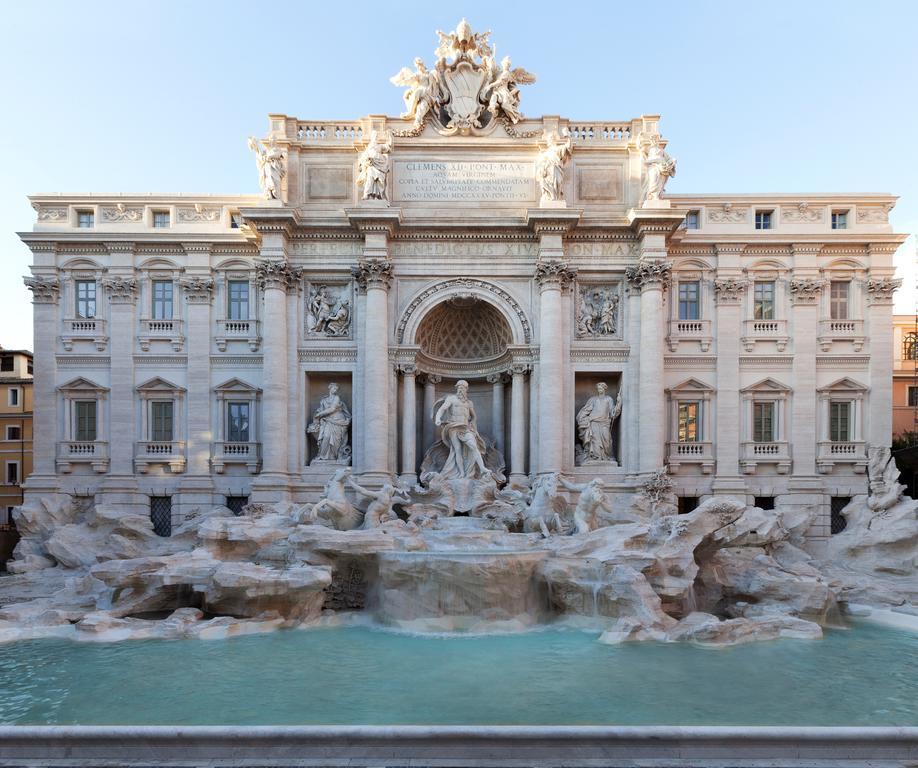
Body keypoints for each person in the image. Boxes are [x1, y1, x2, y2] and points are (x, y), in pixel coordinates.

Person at [433, 380, 488, 479]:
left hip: (465, 428)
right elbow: (442, 409)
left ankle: (482, 468)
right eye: (458, 388)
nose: (460, 390)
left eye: (462, 388)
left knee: (473, 446)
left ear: (466, 390)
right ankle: (461, 473)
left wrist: (474, 428)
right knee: (457, 450)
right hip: (453, 427)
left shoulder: (469, 403)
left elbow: (474, 417)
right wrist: (438, 418)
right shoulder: (451, 399)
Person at [576, 383, 622, 463]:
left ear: (604, 389)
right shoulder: (593, 399)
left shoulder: (609, 399)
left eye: (601, 388)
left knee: (606, 440)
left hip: (605, 423)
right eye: (598, 389)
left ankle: (607, 457)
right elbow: (586, 410)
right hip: (594, 422)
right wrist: (582, 418)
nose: (599, 390)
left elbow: (612, 413)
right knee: (595, 440)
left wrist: (618, 404)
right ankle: (595, 458)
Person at [307, 383, 351, 463]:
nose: (335, 390)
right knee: (326, 436)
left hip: (337, 420)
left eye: (336, 389)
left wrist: (320, 414)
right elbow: (321, 409)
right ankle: (322, 456)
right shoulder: (324, 400)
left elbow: (332, 409)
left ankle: (333, 457)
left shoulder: (336, 398)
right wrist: (317, 413)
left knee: (335, 441)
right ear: (330, 388)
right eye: (334, 389)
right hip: (327, 420)